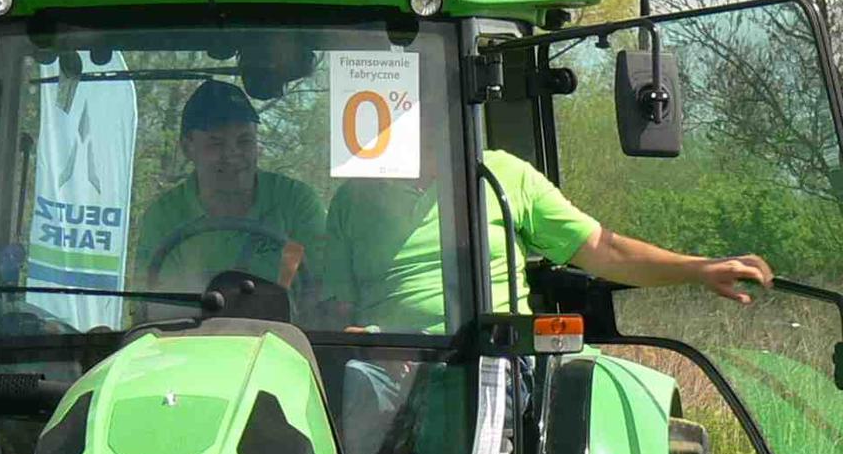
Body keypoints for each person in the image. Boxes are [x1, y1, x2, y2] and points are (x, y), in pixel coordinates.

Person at [323, 146, 772, 332]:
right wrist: (349, 339)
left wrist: (698, 269)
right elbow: (338, 309)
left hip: (488, 356)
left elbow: (603, 250)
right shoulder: (353, 198)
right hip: (383, 363)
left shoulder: (504, 174)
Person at [134, 79, 326, 313]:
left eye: (244, 141)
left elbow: (322, 291)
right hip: (191, 343)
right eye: (216, 142)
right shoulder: (164, 216)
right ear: (187, 147)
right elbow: (151, 306)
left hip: (280, 342)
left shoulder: (296, 203)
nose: (233, 153)